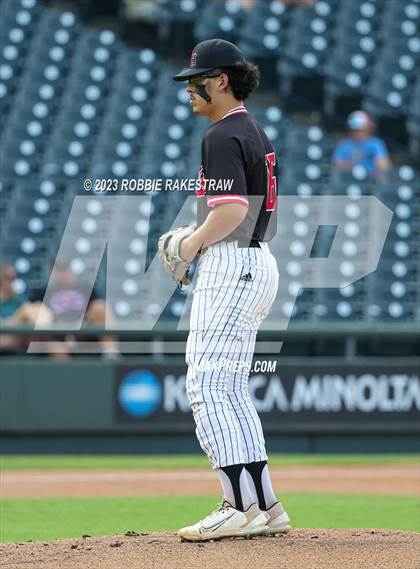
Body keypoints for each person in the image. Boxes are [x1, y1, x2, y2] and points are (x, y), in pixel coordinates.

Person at [172, 38, 290, 541]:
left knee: (207, 386)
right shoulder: (251, 129)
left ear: (222, 81)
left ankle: (237, 506)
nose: (190, 91)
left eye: (197, 81)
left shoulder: (222, 134)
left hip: (231, 262)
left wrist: (191, 244)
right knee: (230, 387)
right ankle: (263, 504)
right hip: (255, 261)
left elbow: (232, 211)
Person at [0, 261, 53, 354]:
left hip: (23, 337)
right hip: (5, 336)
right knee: (26, 310)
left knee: (36, 307)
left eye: (13, 278)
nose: (11, 282)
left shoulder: (19, 299)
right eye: (7, 278)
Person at [332, 110, 392, 177]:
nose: (358, 133)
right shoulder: (344, 144)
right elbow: (336, 164)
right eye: (355, 130)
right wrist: (357, 167)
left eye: (361, 129)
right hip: (348, 179)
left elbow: (384, 165)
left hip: (372, 181)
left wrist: (378, 163)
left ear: (368, 128)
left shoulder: (375, 143)